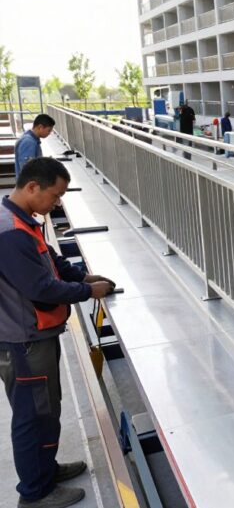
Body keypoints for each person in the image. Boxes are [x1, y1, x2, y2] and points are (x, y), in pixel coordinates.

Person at [0, 158, 116, 508]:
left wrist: (81, 277)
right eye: (55, 195)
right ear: (32, 187)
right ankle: (35, 493)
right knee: (34, 415)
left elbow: (50, 262)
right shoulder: (10, 233)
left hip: (34, 335)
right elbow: (42, 288)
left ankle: (44, 469)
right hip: (23, 341)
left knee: (47, 408)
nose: (57, 203)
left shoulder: (23, 221)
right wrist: (87, 292)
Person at [14, 115, 55, 179]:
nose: (49, 133)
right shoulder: (29, 142)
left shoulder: (30, 139)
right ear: (40, 127)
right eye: (49, 130)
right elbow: (27, 168)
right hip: (28, 185)